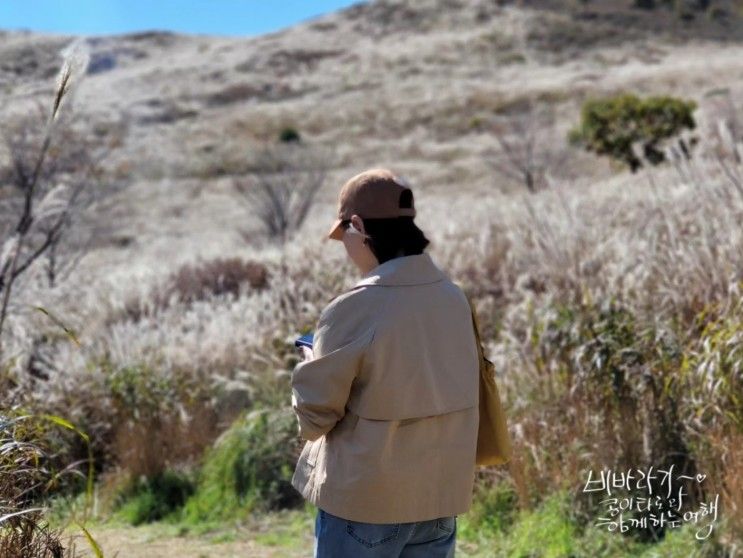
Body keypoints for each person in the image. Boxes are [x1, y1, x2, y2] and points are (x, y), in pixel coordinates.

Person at [290, 168, 480, 557]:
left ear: (357, 225)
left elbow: (315, 419)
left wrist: (311, 361)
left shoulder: (356, 307)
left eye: (343, 234)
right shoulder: (453, 298)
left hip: (367, 501)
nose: (344, 246)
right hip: (439, 496)